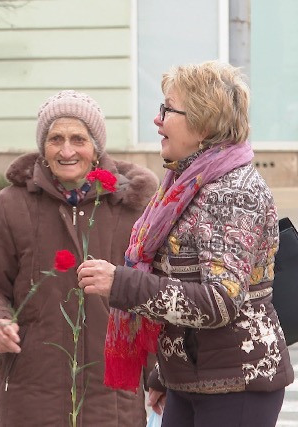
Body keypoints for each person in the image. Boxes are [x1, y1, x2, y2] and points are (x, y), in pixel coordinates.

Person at [77, 60, 294, 427]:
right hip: (190, 378)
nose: (157, 120)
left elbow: (219, 301)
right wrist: (165, 371)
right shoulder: (185, 183)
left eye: (167, 109)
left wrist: (122, 284)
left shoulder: (232, 192)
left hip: (238, 384)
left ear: (203, 122)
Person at [0, 90, 159, 426]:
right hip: (32, 393)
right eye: (56, 139)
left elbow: (156, 295)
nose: (66, 150)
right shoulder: (12, 204)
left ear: (96, 147)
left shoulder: (132, 208)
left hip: (111, 397)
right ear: (43, 147)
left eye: (78, 139)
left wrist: (159, 377)